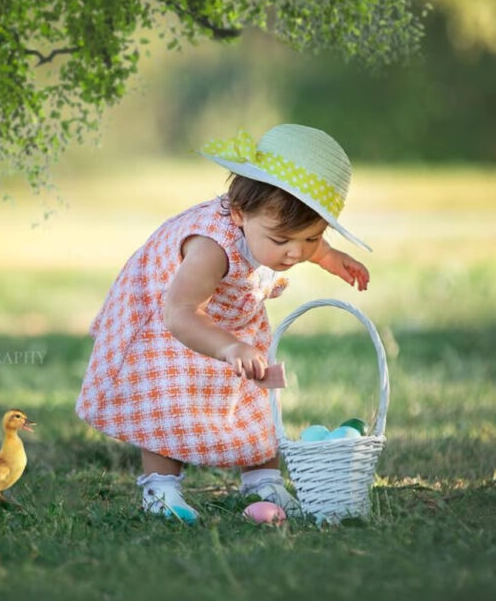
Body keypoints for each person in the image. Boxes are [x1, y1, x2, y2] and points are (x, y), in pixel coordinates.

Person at [75, 124, 371, 522]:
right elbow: (180, 312)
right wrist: (228, 346)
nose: (295, 253)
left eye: (312, 238)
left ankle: (263, 480)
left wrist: (329, 257)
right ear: (239, 213)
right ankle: (161, 489)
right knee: (170, 396)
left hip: (230, 313)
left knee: (255, 388)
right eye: (281, 241)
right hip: (170, 315)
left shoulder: (278, 232)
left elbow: (300, 240)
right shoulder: (211, 248)